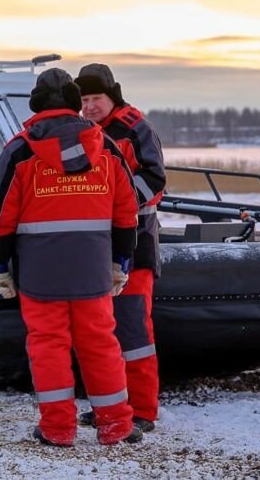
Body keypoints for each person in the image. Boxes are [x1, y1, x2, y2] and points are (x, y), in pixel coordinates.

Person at [0, 68, 142, 446]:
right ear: (74, 103)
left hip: (40, 272)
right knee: (101, 343)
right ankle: (116, 425)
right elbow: (126, 209)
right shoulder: (105, 146)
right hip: (93, 268)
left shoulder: (20, 149)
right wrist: (123, 259)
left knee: (48, 346)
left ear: (36, 105)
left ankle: (58, 429)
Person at [74, 63, 166, 433]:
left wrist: (115, 206)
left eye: (96, 98)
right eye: (84, 100)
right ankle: (108, 406)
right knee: (99, 333)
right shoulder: (85, 133)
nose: (90, 106)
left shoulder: (135, 129)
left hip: (136, 246)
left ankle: (142, 410)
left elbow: (155, 180)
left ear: (112, 96)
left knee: (133, 332)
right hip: (97, 248)